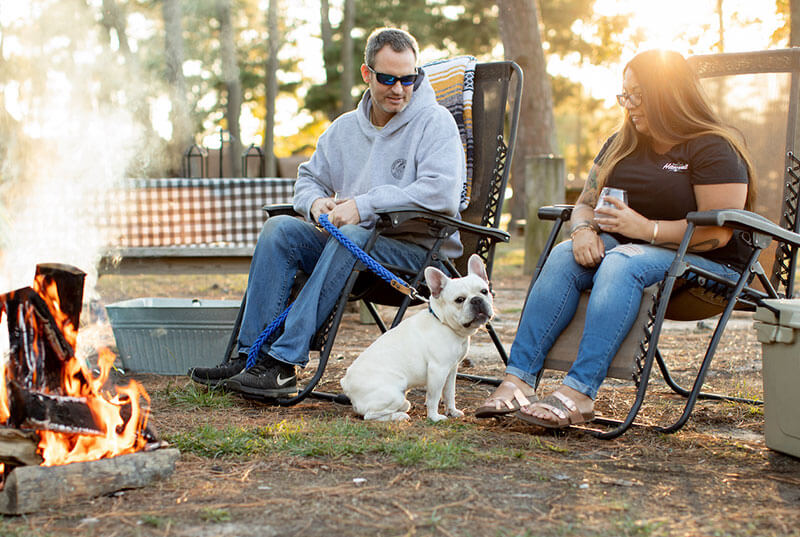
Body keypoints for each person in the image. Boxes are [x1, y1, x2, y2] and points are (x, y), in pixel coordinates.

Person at [475, 49, 755, 429]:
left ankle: (580, 391)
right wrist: (583, 230)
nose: (629, 104)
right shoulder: (622, 143)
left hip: (706, 264)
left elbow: (719, 232)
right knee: (564, 256)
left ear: (669, 94)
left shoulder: (714, 148)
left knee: (623, 262)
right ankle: (518, 379)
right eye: (625, 94)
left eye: (638, 94)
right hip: (629, 250)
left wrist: (647, 229)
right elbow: (585, 204)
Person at [190, 27, 465, 400]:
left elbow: (442, 193)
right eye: (388, 79)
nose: (399, 89)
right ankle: (249, 357)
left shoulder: (435, 122)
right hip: (351, 251)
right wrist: (315, 203)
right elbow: (308, 180)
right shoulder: (344, 129)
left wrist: (363, 205)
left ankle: (283, 365)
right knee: (279, 230)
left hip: (417, 255)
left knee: (351, 237)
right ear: (367, 74)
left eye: (408, 79)